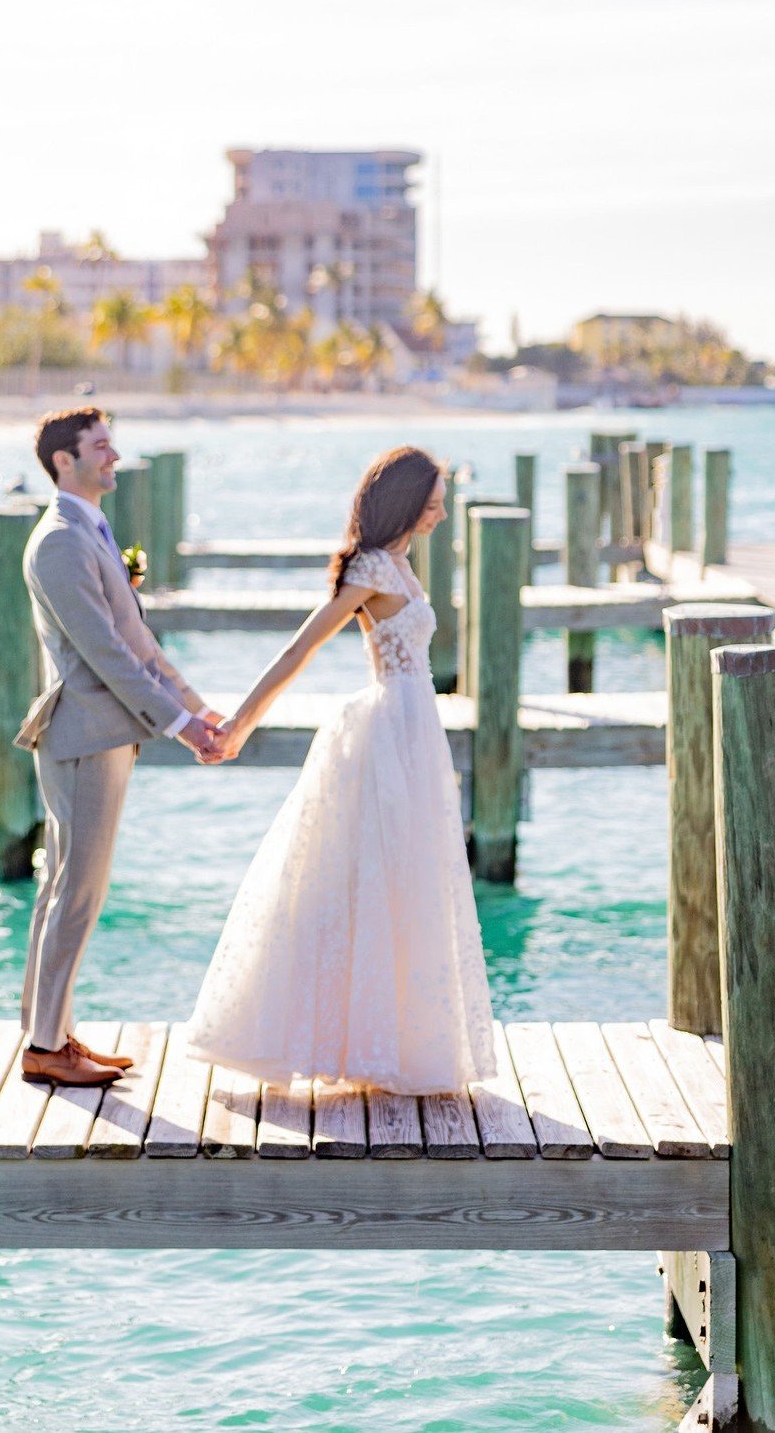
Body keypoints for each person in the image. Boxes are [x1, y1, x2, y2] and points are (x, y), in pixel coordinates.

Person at [185, 446, 495, 1094]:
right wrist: (240, 723)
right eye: (432, 505)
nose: (439, 516)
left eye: (440, 504)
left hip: (416, 730)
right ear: (405, 504)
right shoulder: (372, 567)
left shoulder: (402, 565)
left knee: (407, 886)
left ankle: (395, 1042)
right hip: (386, 731)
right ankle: (319, 1037)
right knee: (356, 881)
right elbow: (303, 645)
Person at [15, 407, 225, 1088]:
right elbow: (105, 653)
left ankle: (50, 1033)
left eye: (111, 444)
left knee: (66, 888)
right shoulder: (58, 542)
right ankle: (47, 1048)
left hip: (102, 735)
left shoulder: (90, 532)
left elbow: (138, 641)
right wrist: (176, 724)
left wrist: (193, 705)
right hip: (82, 735)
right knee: (75, 890)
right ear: (62, 462)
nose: (113, 456)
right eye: (99, 447)